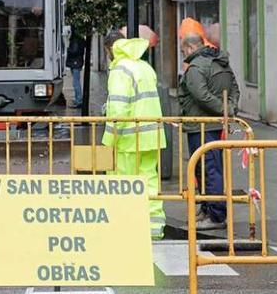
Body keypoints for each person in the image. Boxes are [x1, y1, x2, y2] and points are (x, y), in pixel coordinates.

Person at [102, 30, 166, 240]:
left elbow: (118, 111)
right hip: (151, 136)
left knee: (123, 183)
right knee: (149, 180)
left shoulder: (120, 69)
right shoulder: (143, 66)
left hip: (129, 139)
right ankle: (154, 227)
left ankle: (124, 226)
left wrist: (108, 141)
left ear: (109, 49)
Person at [179, 25, 240, 230]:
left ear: (189, 47)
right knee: (207, 168)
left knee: (207, 169)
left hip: (200, 125)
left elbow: (201, 95)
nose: (183, 54)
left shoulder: (196, 67)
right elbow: (234, 88)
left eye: (182, 50)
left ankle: (215, 214)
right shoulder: (221, 63)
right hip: (212, 125)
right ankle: (207, 208)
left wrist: (225, 109)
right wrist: (229, 107)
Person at [66, 31, 86, 108]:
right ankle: (78, 99)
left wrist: (68, 49)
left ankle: (79, 100)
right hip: (77, 62)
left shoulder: (76, 39)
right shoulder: (80, 38)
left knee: (75, 82)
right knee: (76, 81)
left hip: (75, 62)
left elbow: (74, 50)